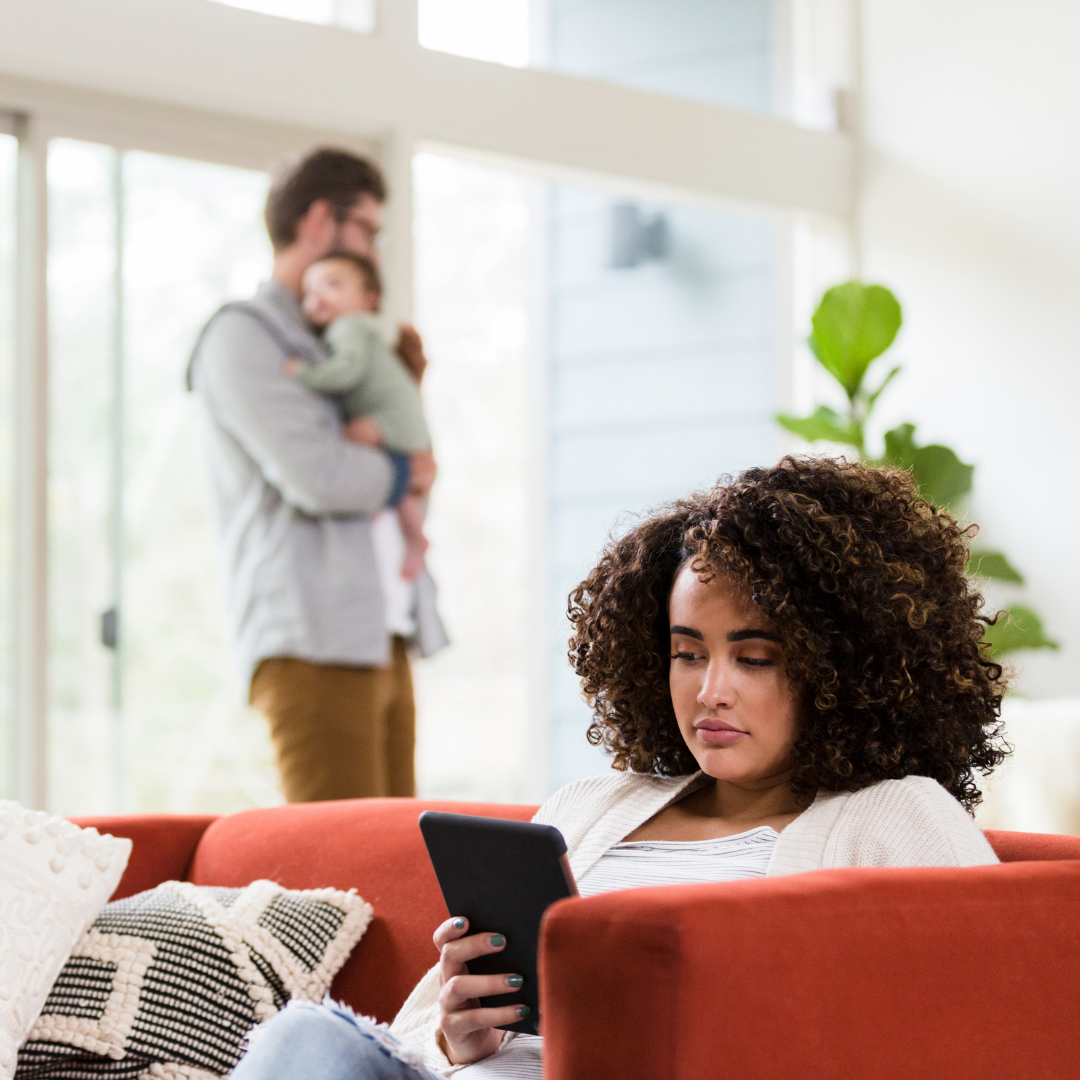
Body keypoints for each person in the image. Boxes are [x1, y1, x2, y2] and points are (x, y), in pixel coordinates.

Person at [230, 457, 1008, 1080]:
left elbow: (994, 1020)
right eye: (687, 652)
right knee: (305, 1038)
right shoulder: (587, 806)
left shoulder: (897, 817)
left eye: (756, 657)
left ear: (843, 667)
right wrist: (457, 1035)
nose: (710, 691)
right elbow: (402, 1047)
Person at [189, 147, 447, 805]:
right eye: (366, 231)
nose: (375, 254)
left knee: (400, 873)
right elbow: (323, 476)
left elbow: (411, 461)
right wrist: (400, 467)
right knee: (342, 883)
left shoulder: (345, 341)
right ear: (319, 223)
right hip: (313, 641)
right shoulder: (243, 338)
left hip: (380, 635)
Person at [286, 251, 435, 582]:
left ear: (368, 299)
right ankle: (415, 534)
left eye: (333, 285)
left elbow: (346, 372)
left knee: (349, 438)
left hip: (391, 418)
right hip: (401, 420)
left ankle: (379, 507)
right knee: (404, 477)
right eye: (308, 292)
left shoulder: (349, 326)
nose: (318, 297)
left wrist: (304, 374)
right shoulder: (358, 329)